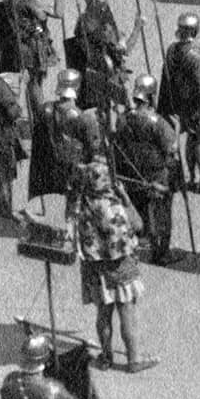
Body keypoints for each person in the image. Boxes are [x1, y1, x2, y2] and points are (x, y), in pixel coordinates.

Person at [74, 159, 154, 371]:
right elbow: (138, 225)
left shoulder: (82, 203)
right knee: (127, 312)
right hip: (118, 264)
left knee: (103, 313)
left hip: (94, 266)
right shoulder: (113, 206)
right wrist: (126, 199)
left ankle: (106, 356)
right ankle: (134, 359)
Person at [113, 74, 179, 265]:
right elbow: (171, 149)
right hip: (154, 176)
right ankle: (161, 253)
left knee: (138, 207)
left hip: (132, 174)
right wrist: (177, 128)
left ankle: (139, 238)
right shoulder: (158, 122)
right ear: (151, 97)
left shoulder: (123, 118)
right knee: (161, 213)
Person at [158, 13, 200, 193]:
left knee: (191, 141)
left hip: (182, 104)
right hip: (198, 107)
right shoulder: (196, 57)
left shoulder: (172, 49)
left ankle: (192, 176)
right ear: (196, 30)